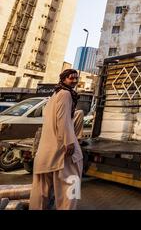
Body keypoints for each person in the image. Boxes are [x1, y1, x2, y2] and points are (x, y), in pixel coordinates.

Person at [30, 69, 84, 210]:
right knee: (72, 183)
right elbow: (62, 119)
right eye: (71, 78)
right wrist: (69, 141)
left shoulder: (55, 94)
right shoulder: (65, 94)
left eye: (76, 78)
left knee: (41, 190)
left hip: (45, 152)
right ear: (63, 79)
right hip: (62, 149)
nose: (74, 81)